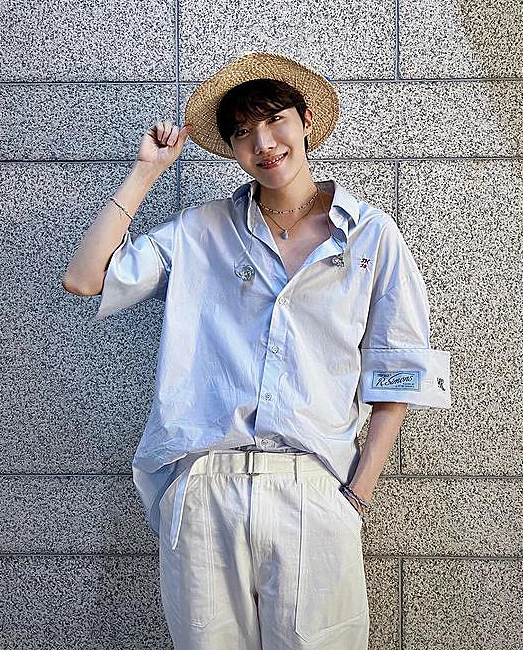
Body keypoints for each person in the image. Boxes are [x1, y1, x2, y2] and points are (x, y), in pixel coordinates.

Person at [62, 51, 451, 650]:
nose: (264, 143)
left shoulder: (371, 235)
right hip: (205, 487)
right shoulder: (201, 230)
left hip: (313, 490)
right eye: (243, 132)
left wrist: (355, 497)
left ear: (305, 120)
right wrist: (145, 172)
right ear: (231, 148)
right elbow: (85, 278)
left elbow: (397, 374)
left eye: (274, 121)